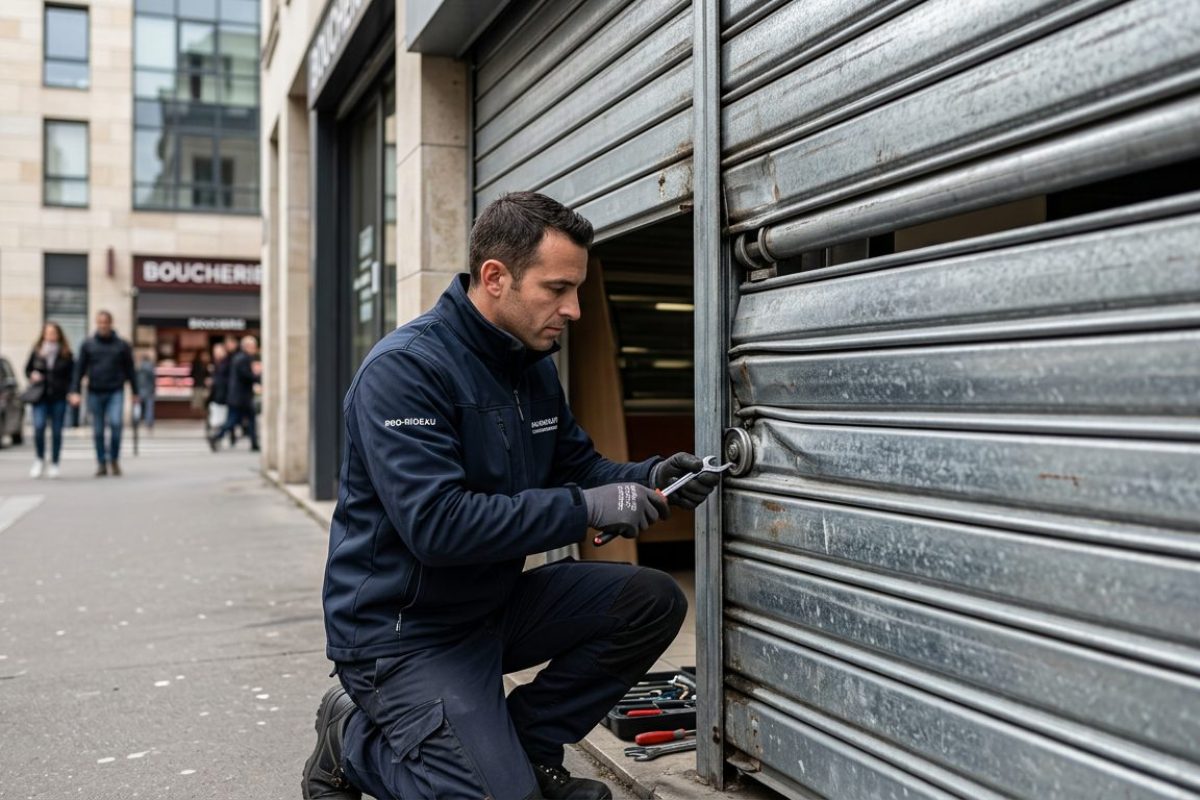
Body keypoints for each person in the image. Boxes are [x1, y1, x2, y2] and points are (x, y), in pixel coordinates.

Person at [301, 193, 720, 800]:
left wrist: (651, 478)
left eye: (577, 289)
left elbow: (579, 467)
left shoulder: (531, 366)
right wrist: (585, 509)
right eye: (557, 289)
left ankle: (529, 749)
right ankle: (351, 741)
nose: (574, 309)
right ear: (495, 277)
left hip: (490, 605)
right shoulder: (405, 372)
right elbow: (438, 527)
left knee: (649, 599)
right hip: (401, 632)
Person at [69, 310, 138, 477]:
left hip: (115, 391)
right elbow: (79, 370)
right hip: (94, 391)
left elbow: (130, 370)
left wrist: (135, 392)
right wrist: (75, 391)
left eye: (105, 322)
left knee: (116, 424)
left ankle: (114, 459)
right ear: (96, 323)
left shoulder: (122, 345)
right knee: (98, 430)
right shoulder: (88, 345)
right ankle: (101, 462)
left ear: (110, 323)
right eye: (99, 322)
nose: (102, 325)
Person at [24, 322, 75, 479]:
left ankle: (55, 462)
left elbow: (72, 376)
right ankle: (39, 459)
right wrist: (33, 375)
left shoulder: (66, 353)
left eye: (53, 333)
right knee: (38, 427)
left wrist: (72, 392)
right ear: (43, 335)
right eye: (48, 332)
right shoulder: (37, 352)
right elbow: (27, 369)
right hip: (40, 396)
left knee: (57, 431)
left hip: (59, 397)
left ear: (59, 335)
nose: (50, 335)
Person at [208, 335, 260, 452]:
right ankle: (217, 436)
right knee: (233, 420)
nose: (255, 349)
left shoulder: (238, 357)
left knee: (246, 419)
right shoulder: (243, 358)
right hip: (241, 397)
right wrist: (258, 377)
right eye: (253, 346)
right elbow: (246, 376)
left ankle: (254, 443)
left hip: (238, 396)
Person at [135, 352, 157, 430]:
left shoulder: (139, 367)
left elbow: (136, 379)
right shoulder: (151, 367)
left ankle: (136, 420)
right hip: (149, 390)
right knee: (149, 407)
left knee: (138, 406)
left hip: (140, 390)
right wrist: (154, 389)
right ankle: (149, 422)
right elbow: (153, 379)